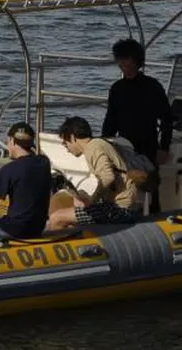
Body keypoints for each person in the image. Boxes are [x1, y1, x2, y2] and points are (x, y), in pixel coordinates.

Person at [46, 116, 142, 231]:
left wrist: (92, 202)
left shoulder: (93, 148)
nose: (67, 148)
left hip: (120, 209)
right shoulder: (100, 143)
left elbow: (107, 178)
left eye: (65, 143)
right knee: (75, 208)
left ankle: (62, 246)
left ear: (72, 137)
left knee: (57, 218)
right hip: (128, 205)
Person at [101, 38, 172, 170]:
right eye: (121, 64)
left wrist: (164, 148)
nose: (124, 68)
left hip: (148, 144)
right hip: (123, 145)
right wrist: (104, 143)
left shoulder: (152, 86)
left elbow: (166, 119)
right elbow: (110, 119)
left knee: (148, 183)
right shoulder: (117, 88)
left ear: (137, 62)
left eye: (127, 64)